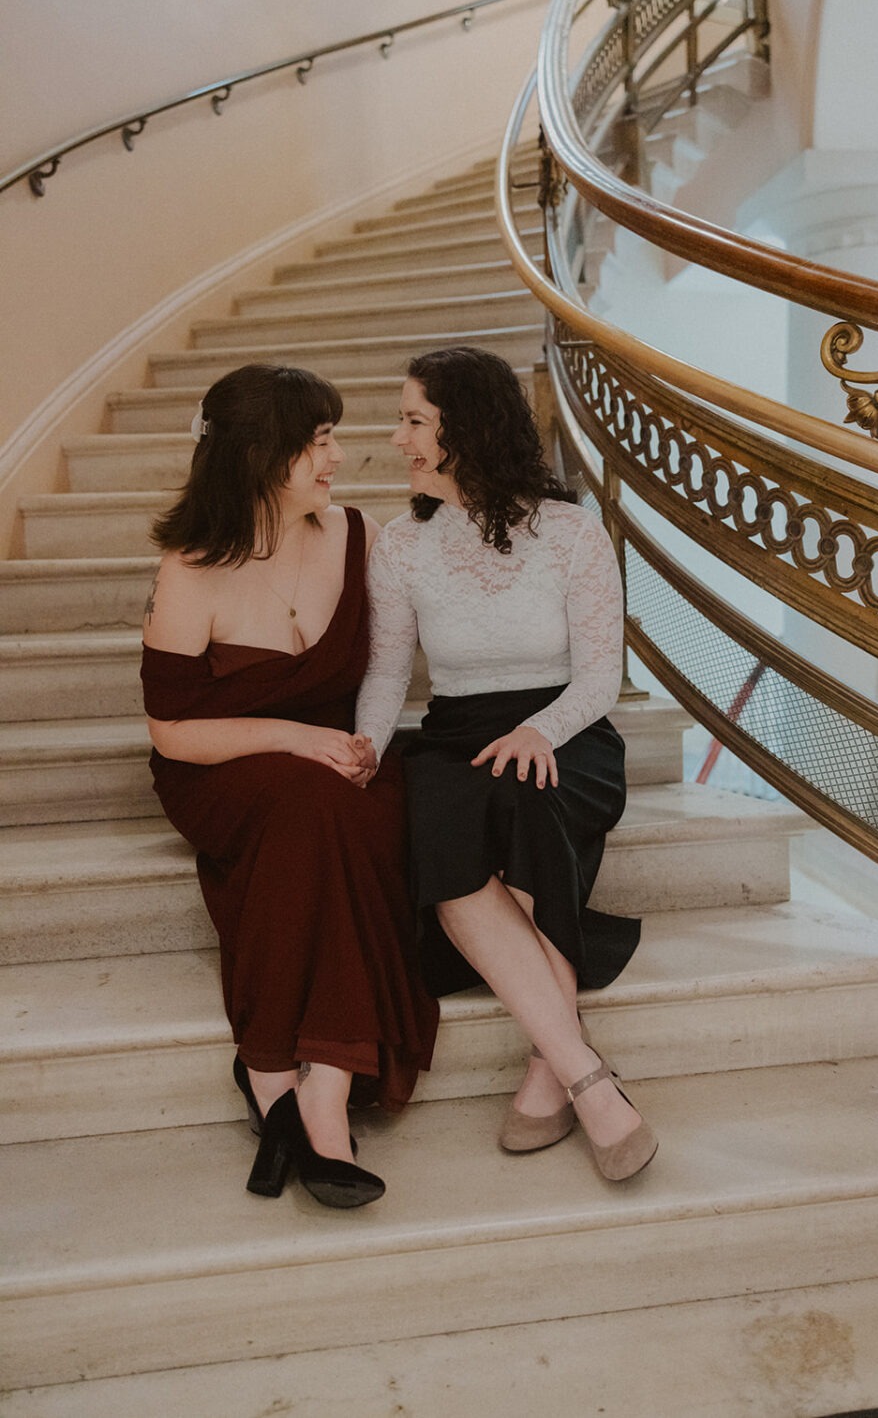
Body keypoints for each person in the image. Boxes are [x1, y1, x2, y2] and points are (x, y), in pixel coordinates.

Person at [141, 363, 438, 1208]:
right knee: (313, 806)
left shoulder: (358, 535)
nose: (339, 458)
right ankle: (320, 1089)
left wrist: (354, 746)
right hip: (222, 769)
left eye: (333, 438)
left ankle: (284, 1078)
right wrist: (298, 738)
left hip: (337, 769)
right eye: (318, 443)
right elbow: (172, 731)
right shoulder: (190, 571)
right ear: (259, 457)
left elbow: (388, 668)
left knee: (363, 808)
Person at [356, 346, 656, 1182]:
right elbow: (387, 673)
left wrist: (542, 731)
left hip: (566, 728)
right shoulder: (398, 544)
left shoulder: (570, 530)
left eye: (414, 419)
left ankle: (548, 1066)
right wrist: (369, 747)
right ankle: (586, 1077)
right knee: (451, 828)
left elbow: (602, 676)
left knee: (528, 802)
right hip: (455, 734)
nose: (397, 437)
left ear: (467, 427)